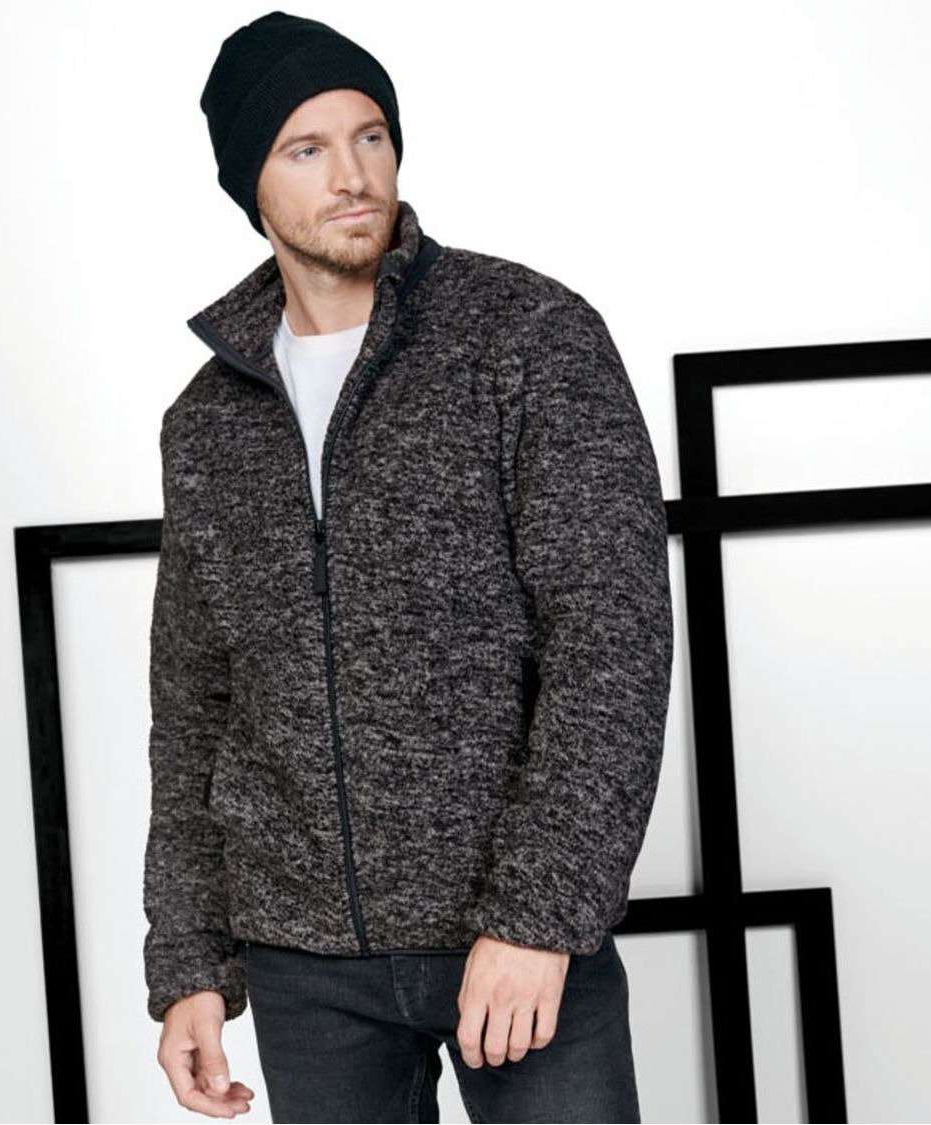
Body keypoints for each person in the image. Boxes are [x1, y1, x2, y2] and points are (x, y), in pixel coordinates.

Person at [144, 11, 673, 1122]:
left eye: (371, 136)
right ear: (251, 185)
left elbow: (611, 640)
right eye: (306, 148)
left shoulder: (526, 337)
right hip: (306, 967)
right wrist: (190, 960)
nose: (352, 175)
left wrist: (539, 913)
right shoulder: (207, 422)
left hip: (514, 936)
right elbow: (195, 705)